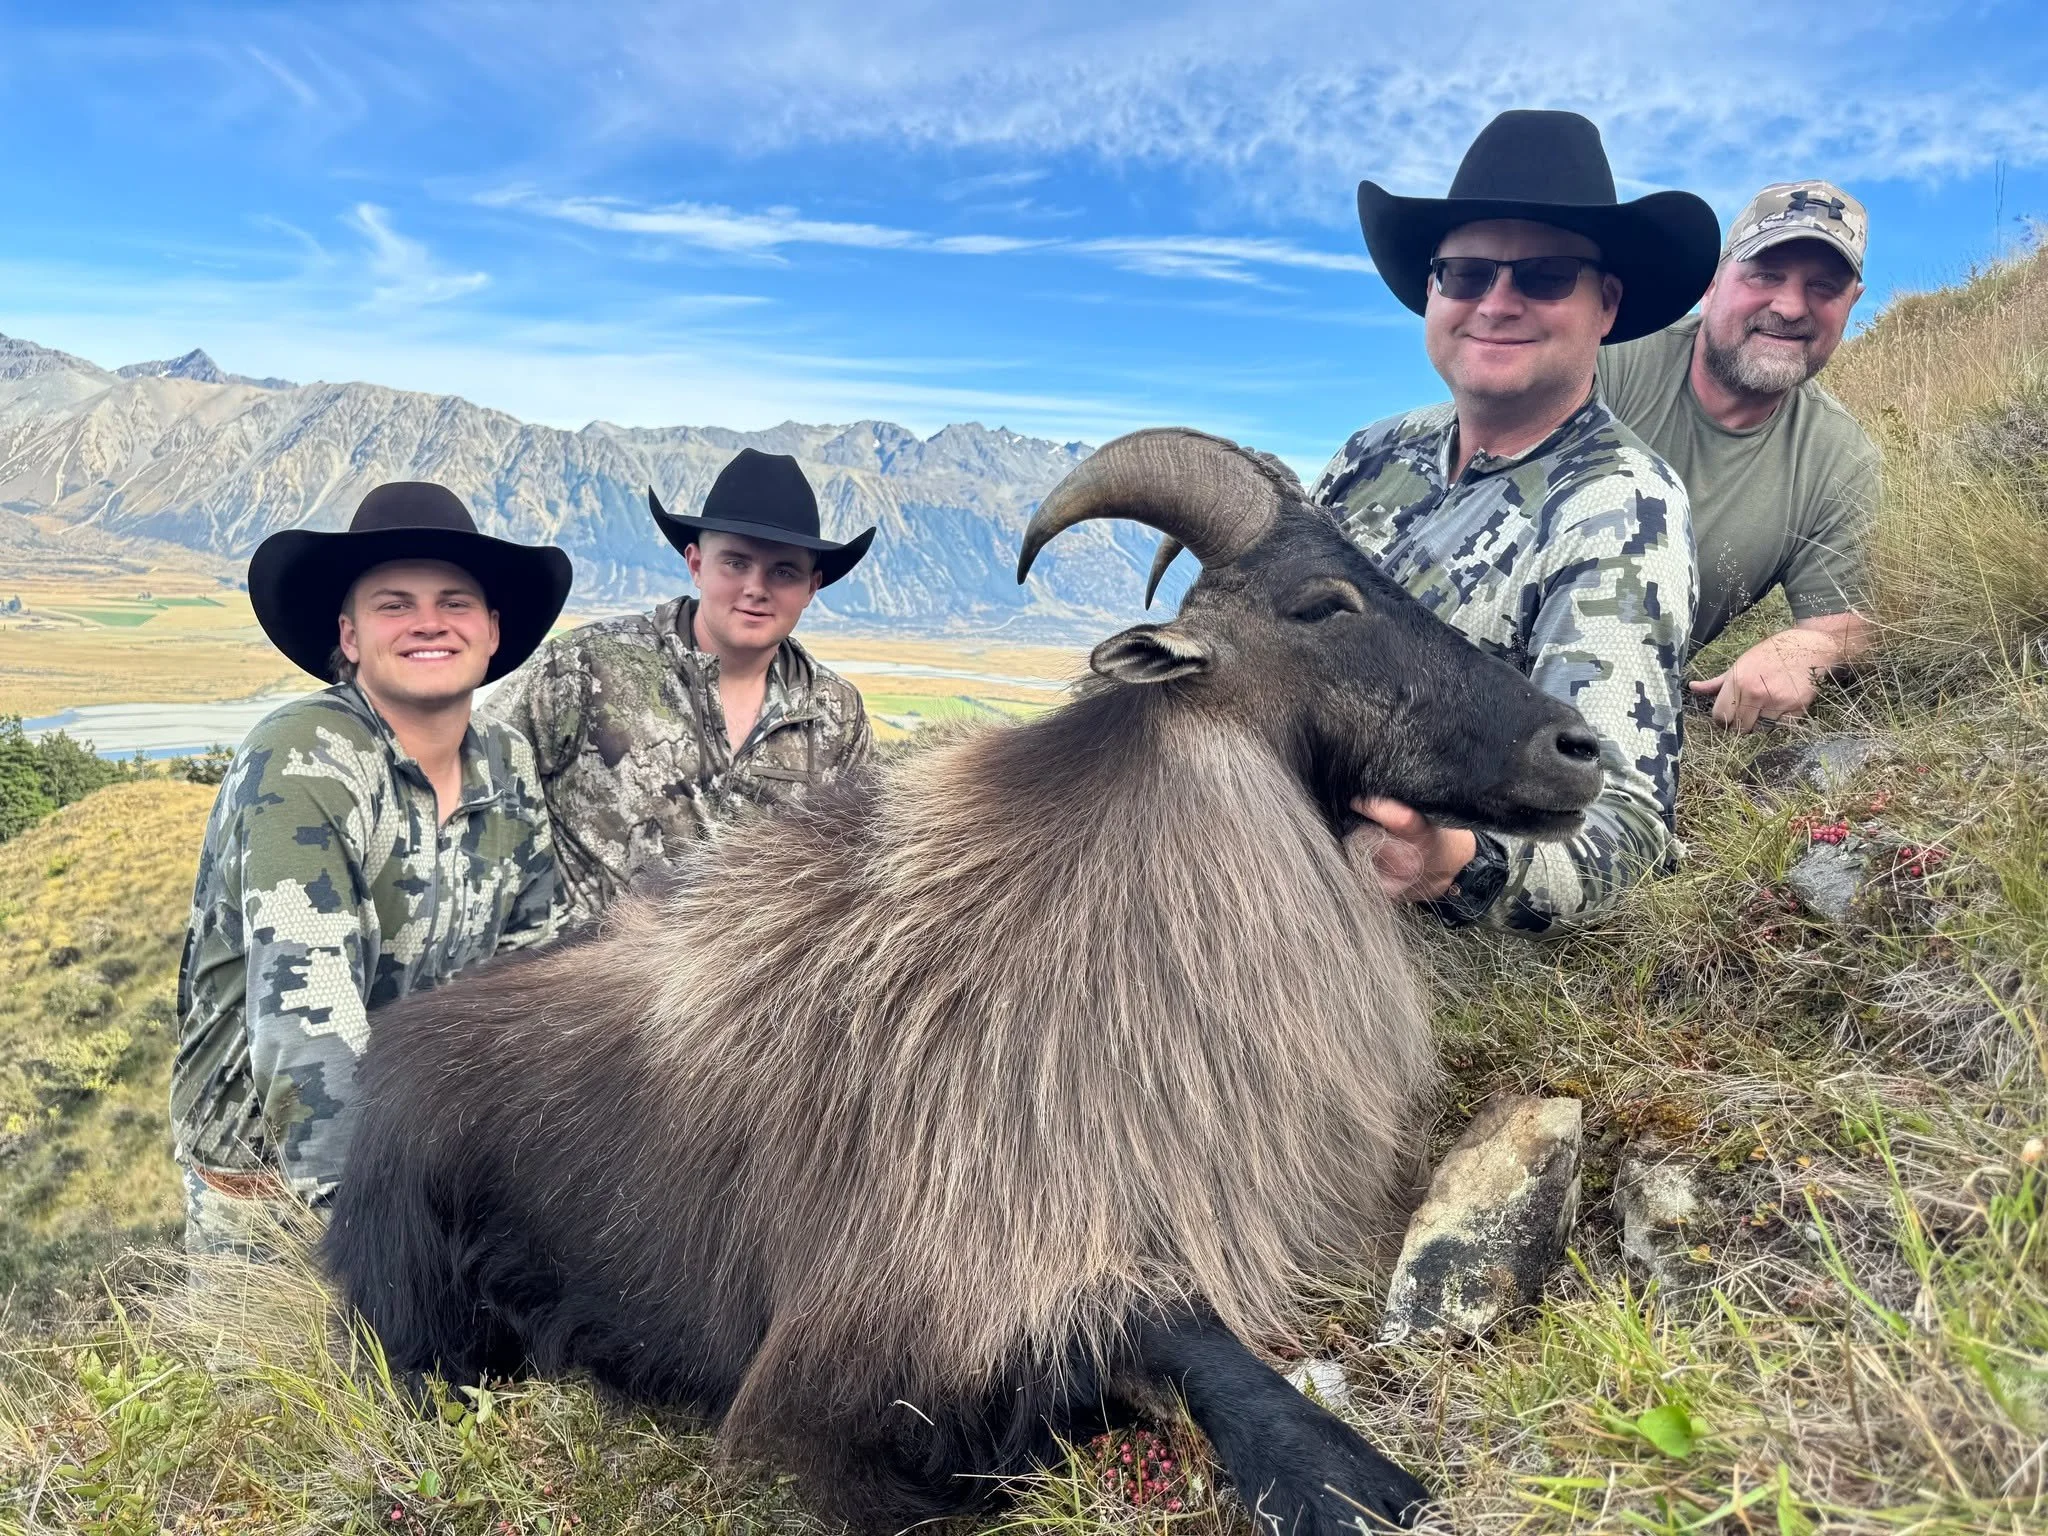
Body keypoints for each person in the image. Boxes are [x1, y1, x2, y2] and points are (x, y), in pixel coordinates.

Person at [1313, 109, 1718, 934]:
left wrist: (1452, 865)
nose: (1496, 302)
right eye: (1464, 274)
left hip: (1395, 933)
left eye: (1542, 276)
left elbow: (1625, 823)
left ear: (1604, 304)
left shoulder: (1619, 504)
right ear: (1433, 292)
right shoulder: (1369, 453)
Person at [170, 483, 571, 1255]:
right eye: (395, 603)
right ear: (350, 637)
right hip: (277, 1194)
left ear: (492, 631)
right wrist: (382, 1241)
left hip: (435, 1173)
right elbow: (306, 1027)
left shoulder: (508, 766)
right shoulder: (305, 759)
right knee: (287, 1378)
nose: (429, 621)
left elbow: (534, 986)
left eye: (455, 601)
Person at [485, 448, 874, 923]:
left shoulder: (838, 714)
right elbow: (477, 785)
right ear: (696, 564)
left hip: (738, 994)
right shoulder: (586, 665)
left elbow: (850, 870)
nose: (757, 586)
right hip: (576, 987)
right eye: (735, 563)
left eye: (784, 571)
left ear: (812, 587)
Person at [1599, 182, 1879, 733]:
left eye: (1824, 286)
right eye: (1765, 275)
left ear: (1852, 303)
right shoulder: (1609, 363)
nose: (1791, 306)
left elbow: (1847, 624)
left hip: (1606, 726)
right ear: (1711, 284)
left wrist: (1808, 648)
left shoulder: (1838, 457)